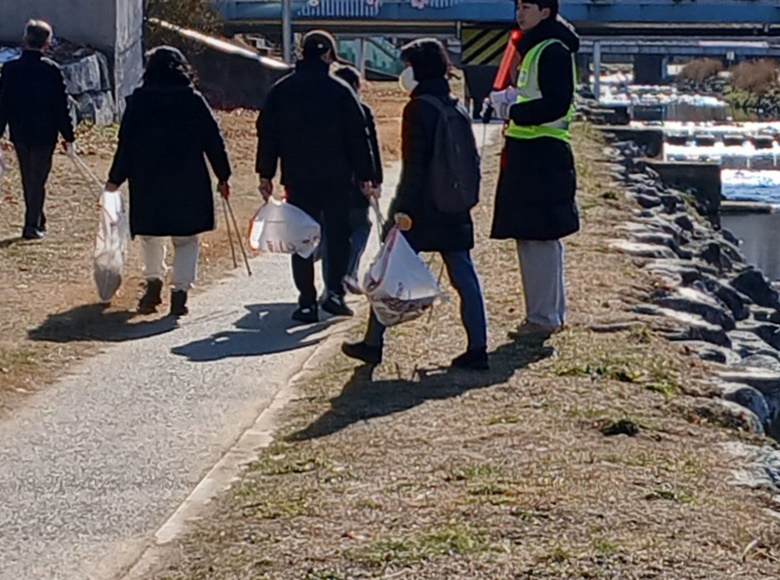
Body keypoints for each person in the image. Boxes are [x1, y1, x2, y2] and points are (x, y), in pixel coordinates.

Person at [348, 38, 491, 375]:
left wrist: (400, 211)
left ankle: (373, 343)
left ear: (418, 69)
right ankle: (478, 347)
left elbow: (414, 168)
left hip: (423, 208)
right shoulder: (455, 105)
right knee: (464, 276)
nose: (405, 73)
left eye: (408, 66)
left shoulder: (418, 108)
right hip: (454, 204)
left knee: (386, 270)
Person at [255, 31, 383, 325]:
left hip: (297, 177)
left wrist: (265, 173)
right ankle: (334, 294)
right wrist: (366, 175)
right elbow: (358, 136)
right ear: (328, 56)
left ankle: (306, 301)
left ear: (303, 53)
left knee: (302, 237)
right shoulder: (341, 90)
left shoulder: (282, 89)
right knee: (338, 236)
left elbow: (268, 133)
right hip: (337, 178)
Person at [484, 0, 584, 342]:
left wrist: (512, 109)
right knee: (535, 236)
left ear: (546, 12)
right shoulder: (537, 47)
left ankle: (542, 318)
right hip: (532, 150)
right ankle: (547, 314)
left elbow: (556, 103)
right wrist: (512, 100)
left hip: (541, 151)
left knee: (538, 236)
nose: (520, 13)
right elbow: (538, 95)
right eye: (518, 6)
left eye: (527, 7)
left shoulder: (551, 49)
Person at [102, 43, 230, 321]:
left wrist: (114, 179)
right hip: (188, 179)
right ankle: (180, 294)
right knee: (186, 239)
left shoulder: (139, 101)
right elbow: (213, 139)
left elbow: (126, 145)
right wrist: (223, 175)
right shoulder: (192, 100)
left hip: (148, 179)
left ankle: (153, 285)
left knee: (151, 236)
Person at [0, 18, 77, 241]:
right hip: (45, 133)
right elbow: (60, 106)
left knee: (29, 177)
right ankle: (31, 224)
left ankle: (36, 218)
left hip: (20, 131)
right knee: (37, 178)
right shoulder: (51, 70)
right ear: (47, 44)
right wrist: (68, 136)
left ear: (24, 39)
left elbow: (2, 104)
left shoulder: (11, 69)